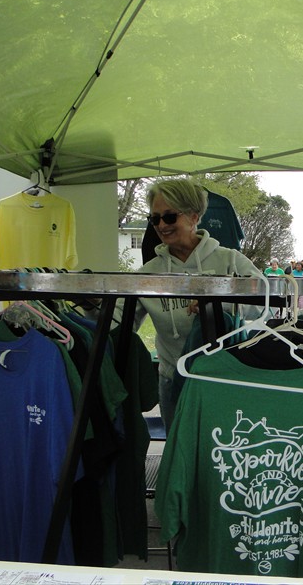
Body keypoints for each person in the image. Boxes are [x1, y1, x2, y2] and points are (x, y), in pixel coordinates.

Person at [122, 177, 263, 427]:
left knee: (221, 453)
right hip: (171, 379)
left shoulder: (230, 261)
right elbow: (122, 322)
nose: (161, 225)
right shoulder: (148, 274)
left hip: (223, 377)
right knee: (178, 453)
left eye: (169, 217)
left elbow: (265, 303)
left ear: (194, 216)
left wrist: (219, 305)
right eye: (154, 219)